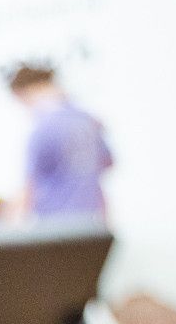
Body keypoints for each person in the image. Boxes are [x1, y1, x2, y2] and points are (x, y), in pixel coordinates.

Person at [7, 62, 114, 223]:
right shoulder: (86, 121)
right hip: (92, 223)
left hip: (56, 227)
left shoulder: (43, 129)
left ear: (26, 93)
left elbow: (30, 187)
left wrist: (5, 225)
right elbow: (107, 163)